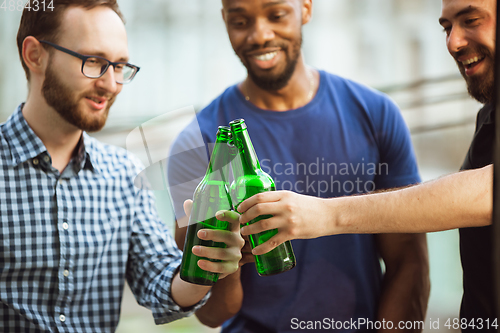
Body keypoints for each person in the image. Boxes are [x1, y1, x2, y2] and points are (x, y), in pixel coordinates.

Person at [167, 0, 430, 331]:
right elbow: (209, 313)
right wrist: (227, 265)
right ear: (224, 20)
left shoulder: (377, 113)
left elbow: (409, 260)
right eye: (239, 21)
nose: (260, 34)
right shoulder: (193, 144)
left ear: (305, 8)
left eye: (276, 15)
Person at [236, 0, 497, 329]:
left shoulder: (377, 111)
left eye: (471, 20)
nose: (453, 42)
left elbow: (484, 195)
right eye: (446, 28)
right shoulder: (199, 132)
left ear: (305, 9)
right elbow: (198, 297)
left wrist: (325, 214)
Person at [0, 1, 244, 332]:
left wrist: (205, 262)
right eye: (94, 62)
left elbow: (159, 279)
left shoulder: (123, 172)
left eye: (120, 66)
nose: (112, 84)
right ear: (35, 55)